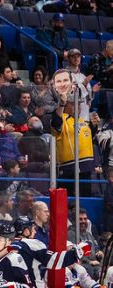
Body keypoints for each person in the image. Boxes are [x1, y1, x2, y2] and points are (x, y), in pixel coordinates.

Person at [10, 215, 88, 288]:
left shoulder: (8, 244)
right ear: (26, 231)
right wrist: (78, 252)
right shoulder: (32, 244)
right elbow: (54, 261)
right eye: (32, 229)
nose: (35, 232)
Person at [51, 69, 97, 197]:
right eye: (74, 104)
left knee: (85, 201)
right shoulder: (62, 118)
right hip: (68, 169)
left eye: (79, 104)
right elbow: (56, 122)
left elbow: (89, 138)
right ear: (67, 105)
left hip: (86, 168)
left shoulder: (82, 120)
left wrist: (94, 126)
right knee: (68, 203)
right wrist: (62, 103)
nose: (78, 106)